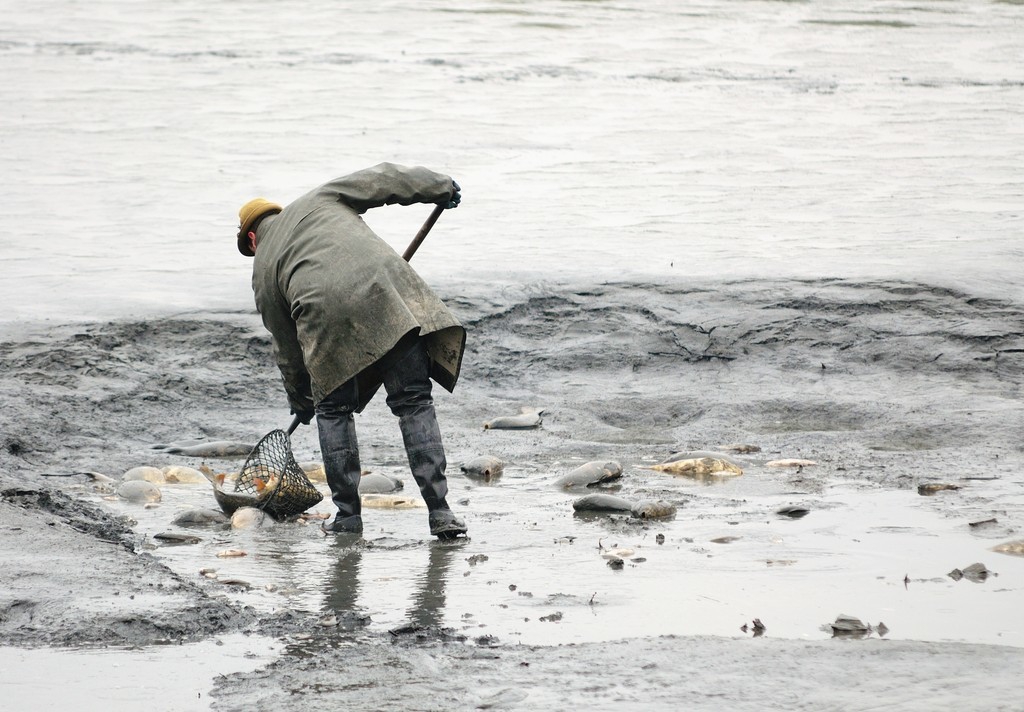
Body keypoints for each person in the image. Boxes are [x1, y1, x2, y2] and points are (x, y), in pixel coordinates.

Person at [236, 162, 468, 539]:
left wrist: (303, 397)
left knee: (334, 410)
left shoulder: (263, 267)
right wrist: (437, 187)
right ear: (277, 213)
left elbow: (287, 347)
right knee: (413, 402)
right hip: (387, 294)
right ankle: (440, 512)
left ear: (251, 239)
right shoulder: (320, 198)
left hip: (323, 315)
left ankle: (347, 517)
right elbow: (383, 181)